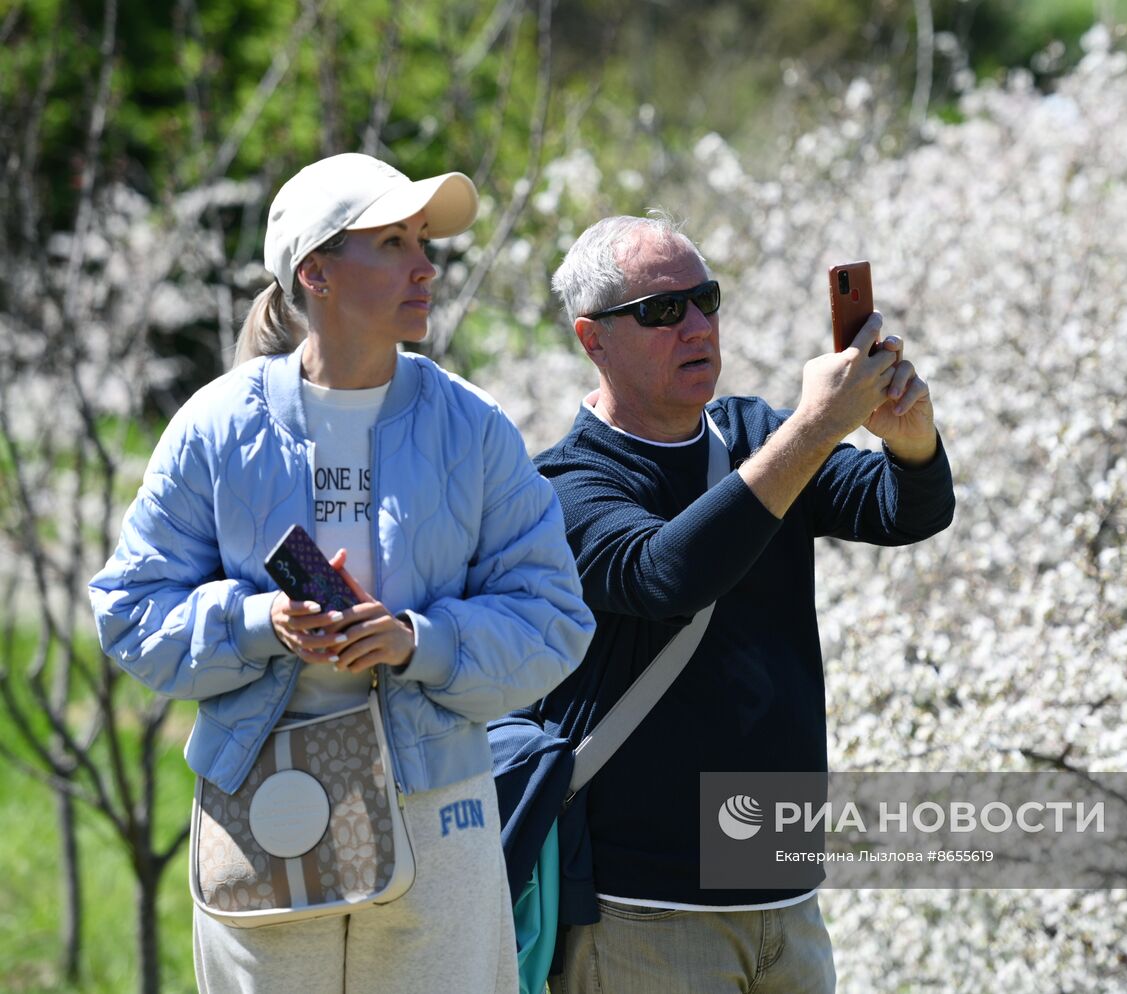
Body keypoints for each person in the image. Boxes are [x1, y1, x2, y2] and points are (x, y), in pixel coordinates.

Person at [88, 152, 595, 994]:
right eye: (392, 243)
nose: (426, 266)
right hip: (265, 803)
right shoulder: (217, 426)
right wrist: (260, 625)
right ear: (314, 273)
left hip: (436, 805)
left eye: (423, 241)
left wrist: (415, 643)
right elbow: (129, 612)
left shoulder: (473, 427)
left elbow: (553, 619)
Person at [528, 214, 955, 992]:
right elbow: (665, 576)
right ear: (593, 340)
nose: (695, 325)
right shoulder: (563, 484)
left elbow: (905, 509)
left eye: (705, 299)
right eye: (662, 311)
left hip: (784, 890)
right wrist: (817, 426)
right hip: (645, 909)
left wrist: (910, 437)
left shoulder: (756, 431)